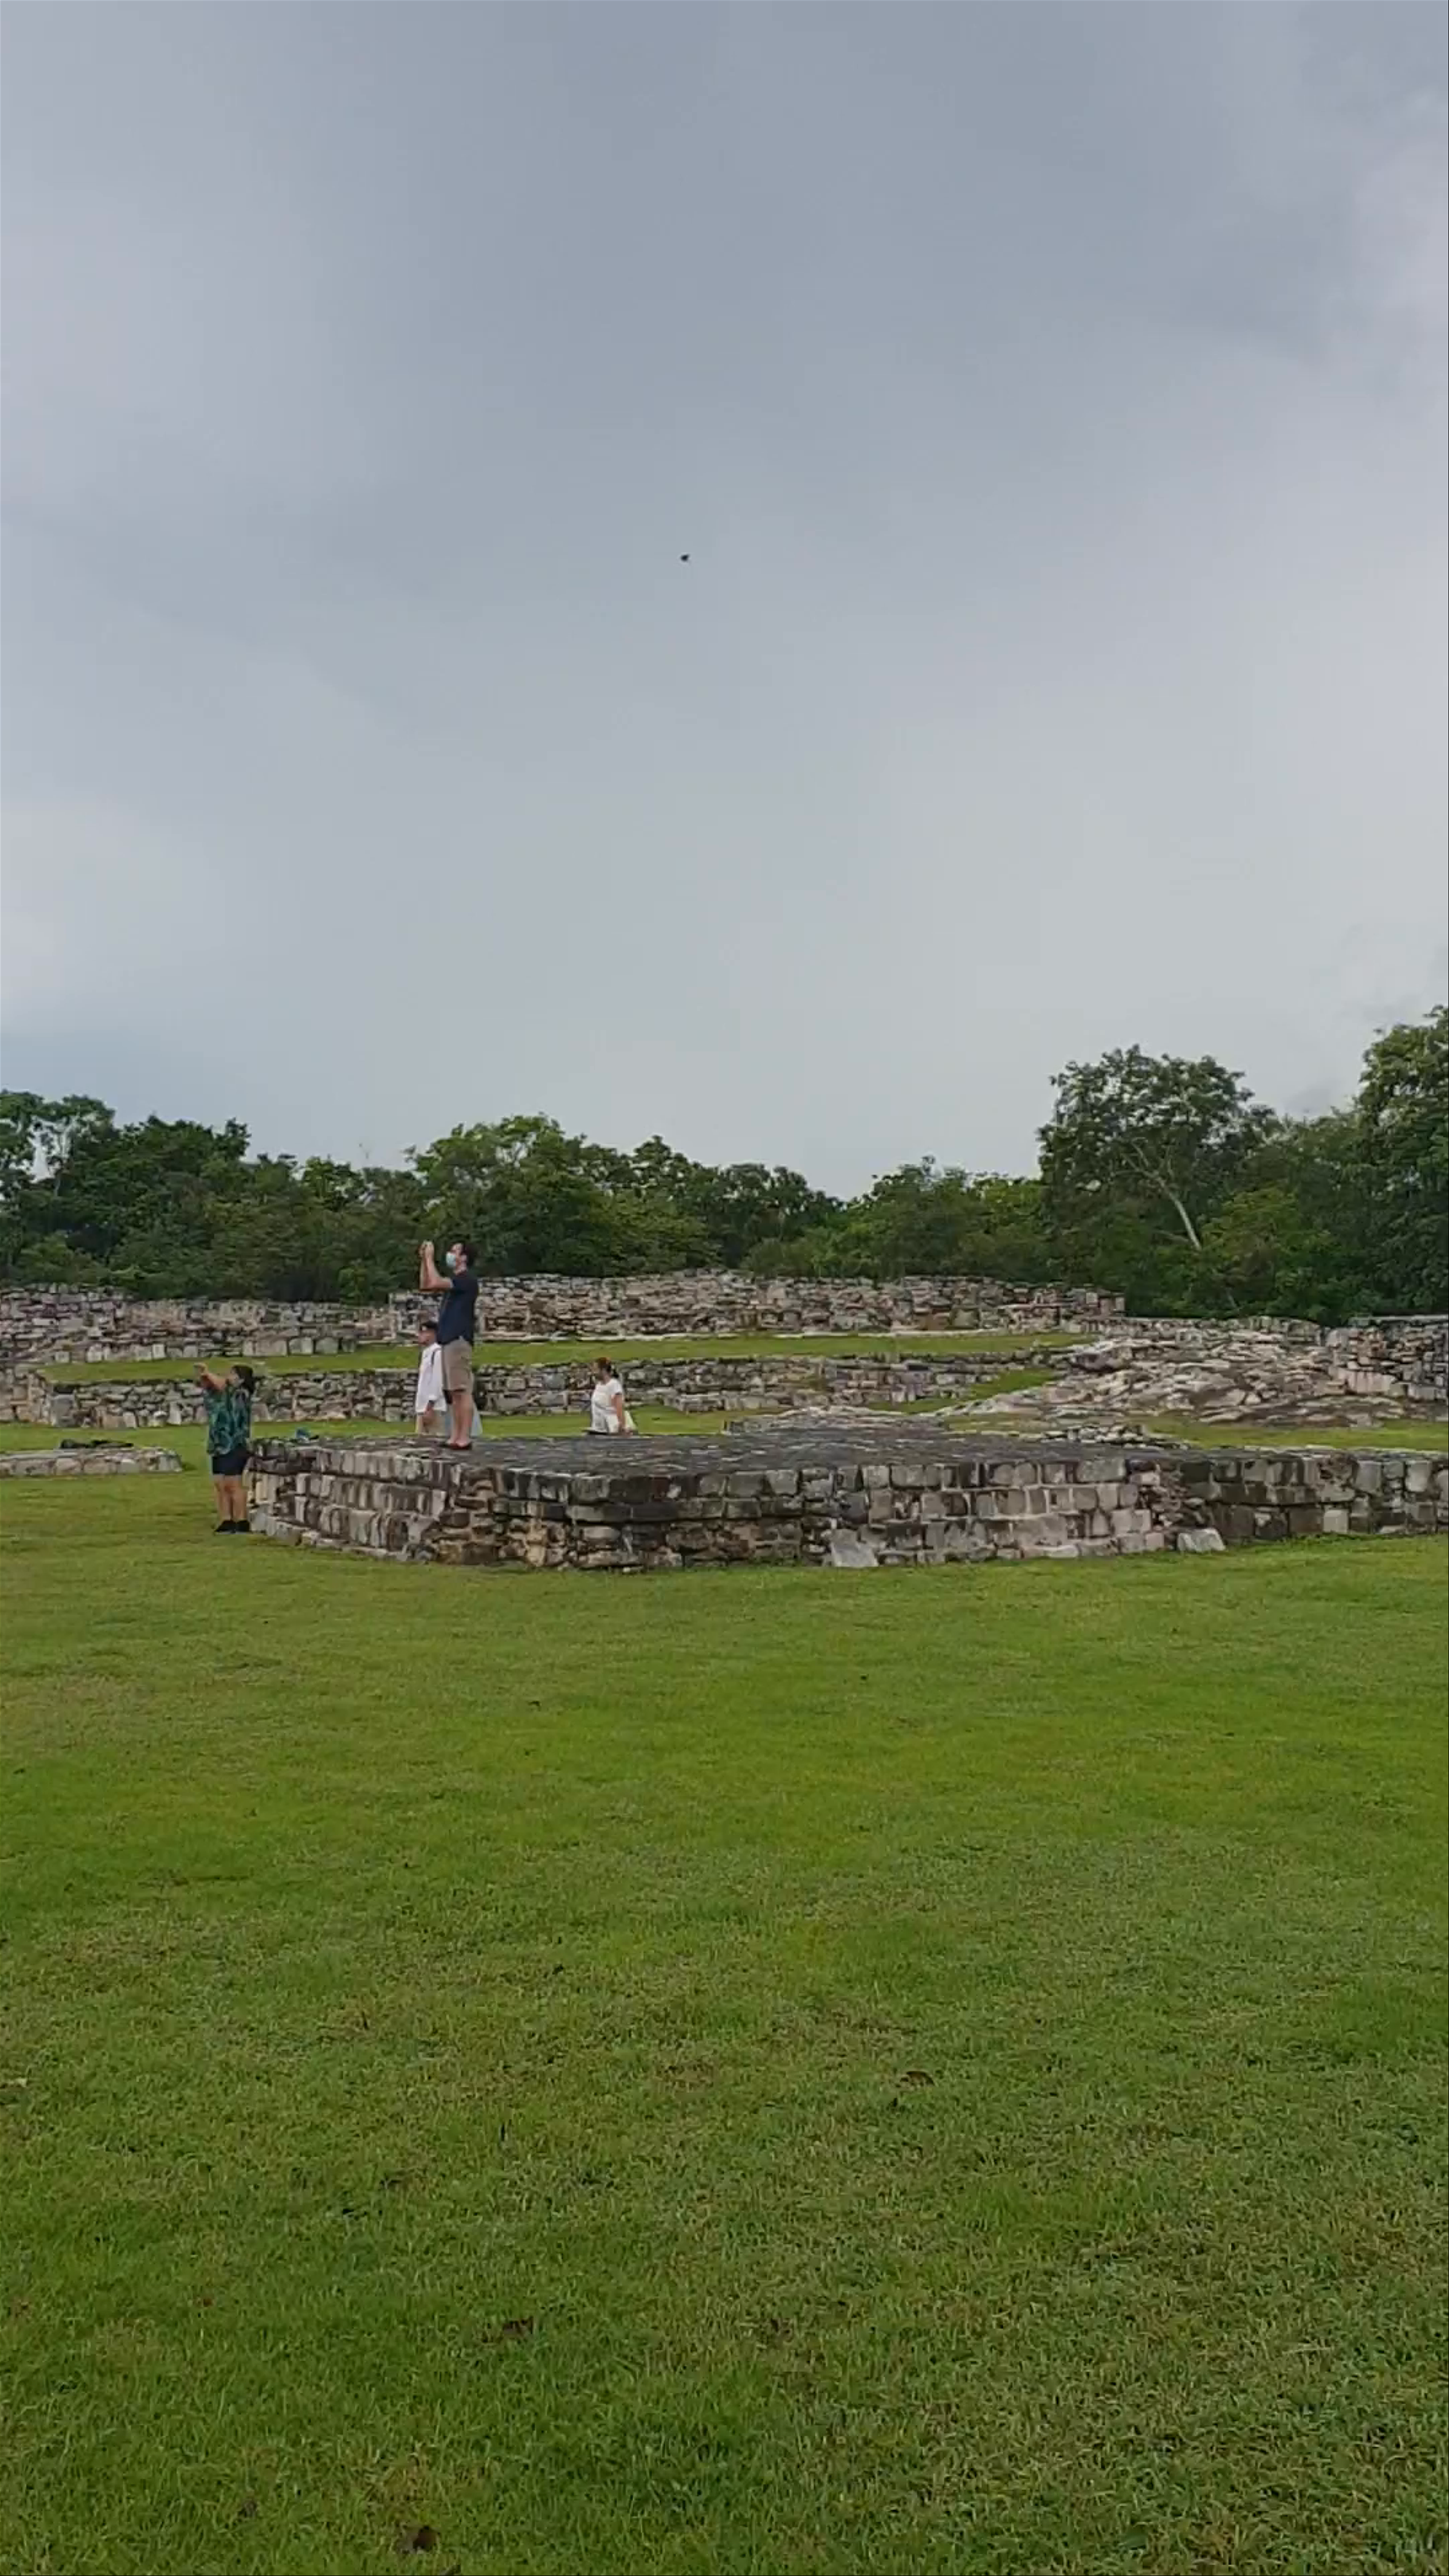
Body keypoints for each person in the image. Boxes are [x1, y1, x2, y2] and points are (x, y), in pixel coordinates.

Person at [418, 1237, 480, 1449]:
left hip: (459, 1339)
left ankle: (465, 1437)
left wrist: (430, 1258)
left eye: (455, 1251)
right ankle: (456, 1435)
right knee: (452, 1392)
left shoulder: (467, 1281)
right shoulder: (455, 1284)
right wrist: (424, 1261)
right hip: (447, 1340)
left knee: (462, 1390)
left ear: (464, 1257)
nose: (451, 1255)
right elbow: (426, 1285)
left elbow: (436, 1282)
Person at [198, 1363, 257, 1531]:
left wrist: (208, 1372)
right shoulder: (222, 1394)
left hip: (235, 1443)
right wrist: (205, 1378)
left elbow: (223, 1384)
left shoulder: (241, 1394)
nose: (229, 1376)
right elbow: (211, 1388)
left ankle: (242, 1520)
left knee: (233, 1483)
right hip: (219, 1443)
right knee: (220, 1483)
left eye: (234, 1374)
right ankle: (226, 1520)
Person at [589, 1356, 636, 1436]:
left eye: (595, 1370)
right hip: (598, 1430)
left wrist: (622, 1426)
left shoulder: (614, 1385)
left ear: (603, 1371)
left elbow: (619, 1407)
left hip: (611, 1430)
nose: (593, 1373)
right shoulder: (599, 1386)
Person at [414, 1321, 445, 1437]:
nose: (420, 1336)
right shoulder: (426, 1354)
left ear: (432, 1334)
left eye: (423, 1332)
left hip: (433, 1407)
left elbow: (438, 1380)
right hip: (422, 1407)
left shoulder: (438, 1353)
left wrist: (430, 1406)